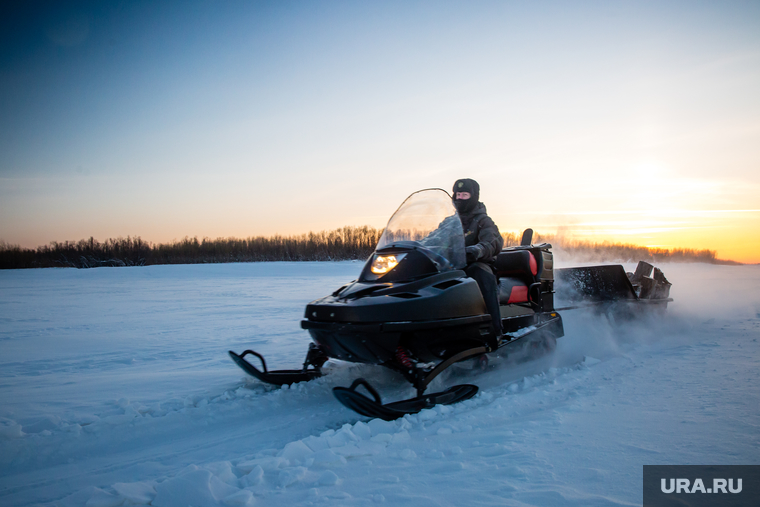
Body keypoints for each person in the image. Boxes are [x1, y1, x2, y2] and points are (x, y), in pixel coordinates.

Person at [452, 178, 504, 346]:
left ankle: (495, 331)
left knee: (478, 273)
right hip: (453, 265)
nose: (460, 198)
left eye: (465, 194)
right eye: (458, 194)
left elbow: (493, 241)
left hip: (478, 263)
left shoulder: (483, 221)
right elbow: (435, 238)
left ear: (473, 196)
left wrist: (478, 249)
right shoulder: (449, 222)